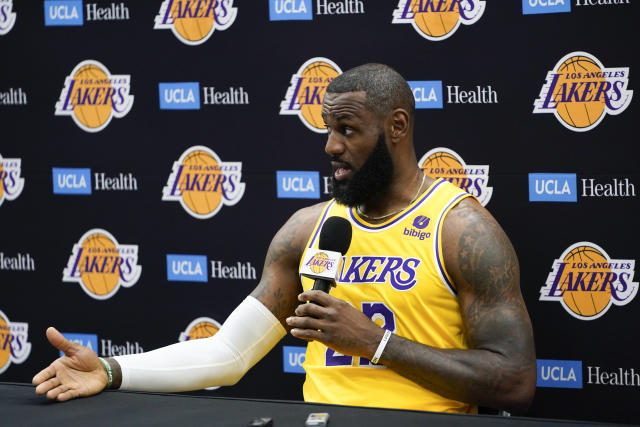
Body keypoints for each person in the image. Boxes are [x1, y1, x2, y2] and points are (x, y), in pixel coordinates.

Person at [33, 63, 536, 414]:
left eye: (348, 129)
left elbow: (513, 381)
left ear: (397, 127)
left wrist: (376, 343)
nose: (330, 145)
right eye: (328, 128)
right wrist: (110, 369)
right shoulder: (308, 228)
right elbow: (228, 355)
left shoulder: (462, 230)